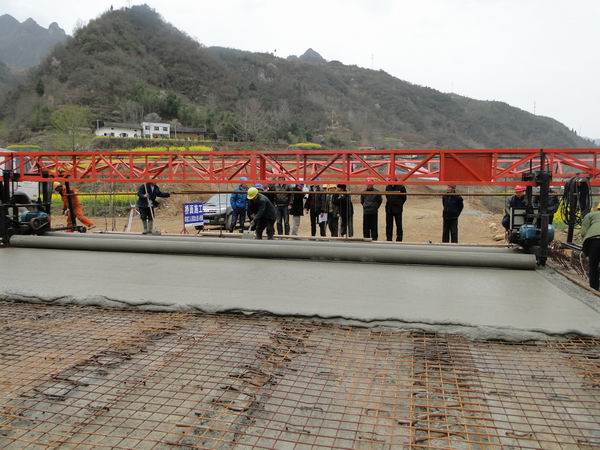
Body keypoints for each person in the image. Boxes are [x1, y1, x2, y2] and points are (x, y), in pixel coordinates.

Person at [581, 203, 600, 290]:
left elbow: (583, 232)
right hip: (594, 240)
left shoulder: (590, 215)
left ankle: (594, 288)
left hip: (594, 241)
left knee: (593, 265)